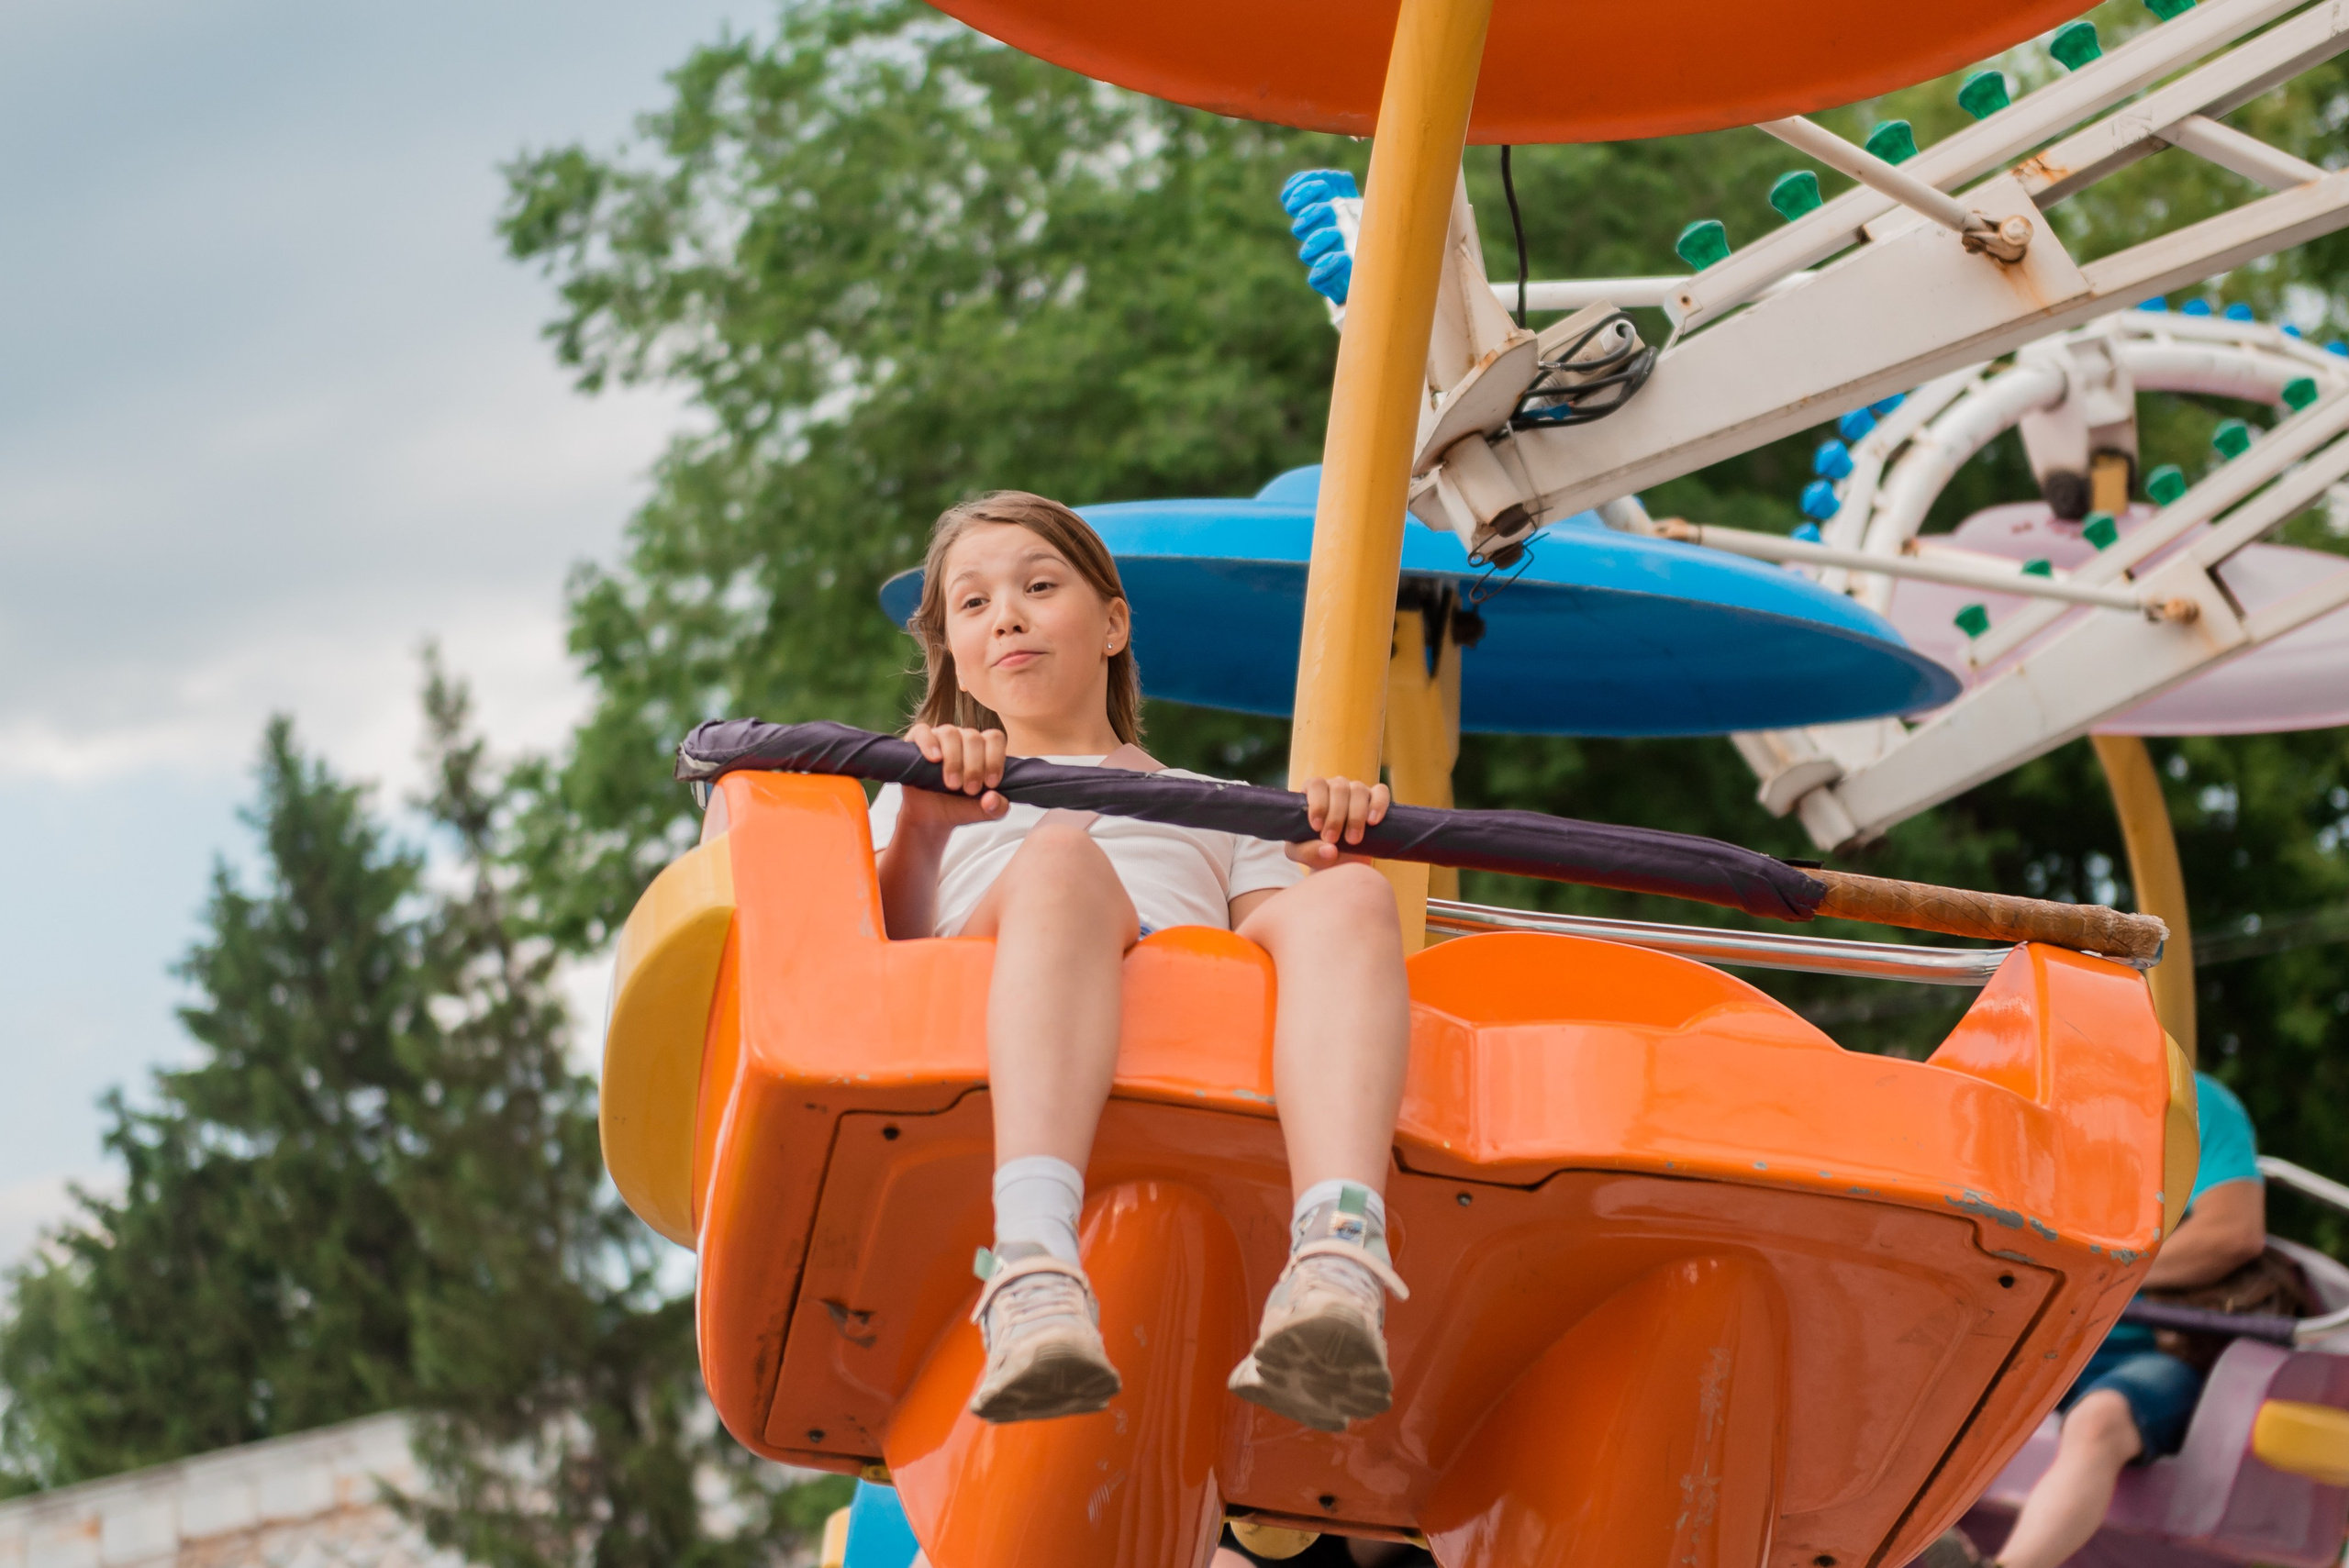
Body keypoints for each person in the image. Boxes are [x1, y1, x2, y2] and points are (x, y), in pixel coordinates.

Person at [873, 489, 1414, 1434]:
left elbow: (1271, 933)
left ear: (1113, 621)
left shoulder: (1217, 803)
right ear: (952, 650)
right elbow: (880, 970)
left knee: (1355, 895)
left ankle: (1335, 1254)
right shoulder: (915, 791)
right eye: (972, 602)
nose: (1006, 613)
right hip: (988, 1032)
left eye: (1039, 585)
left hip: (1190, 1030)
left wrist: (1330, 856)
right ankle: (1032, 1261)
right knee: (1060, 862)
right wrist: (923, 827)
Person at [1941, 1071, 2266, 1568]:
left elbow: (2233, 1233)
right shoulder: (2011, 1092)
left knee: (2100, 1419)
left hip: (2155, 1347)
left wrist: (2093, 1277)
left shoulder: (2192, 1105)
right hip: (2030, 1334)